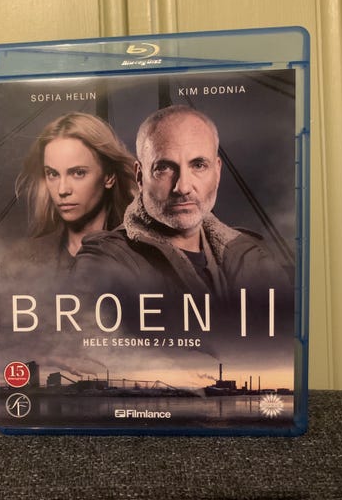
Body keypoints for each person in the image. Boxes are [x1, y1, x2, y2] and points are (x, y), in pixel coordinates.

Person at [70, 104, 292, 332]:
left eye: (198, 165)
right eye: (164, 168)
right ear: (140, 176)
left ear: (217, 172)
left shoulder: (251, 253)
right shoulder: (106, 260)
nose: (183, 187)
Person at [7, 111, 137, 274]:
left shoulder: (141, 258)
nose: (62, 190)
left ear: (109, 176)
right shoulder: (21, 261)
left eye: (78, 173)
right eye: (52, 174)